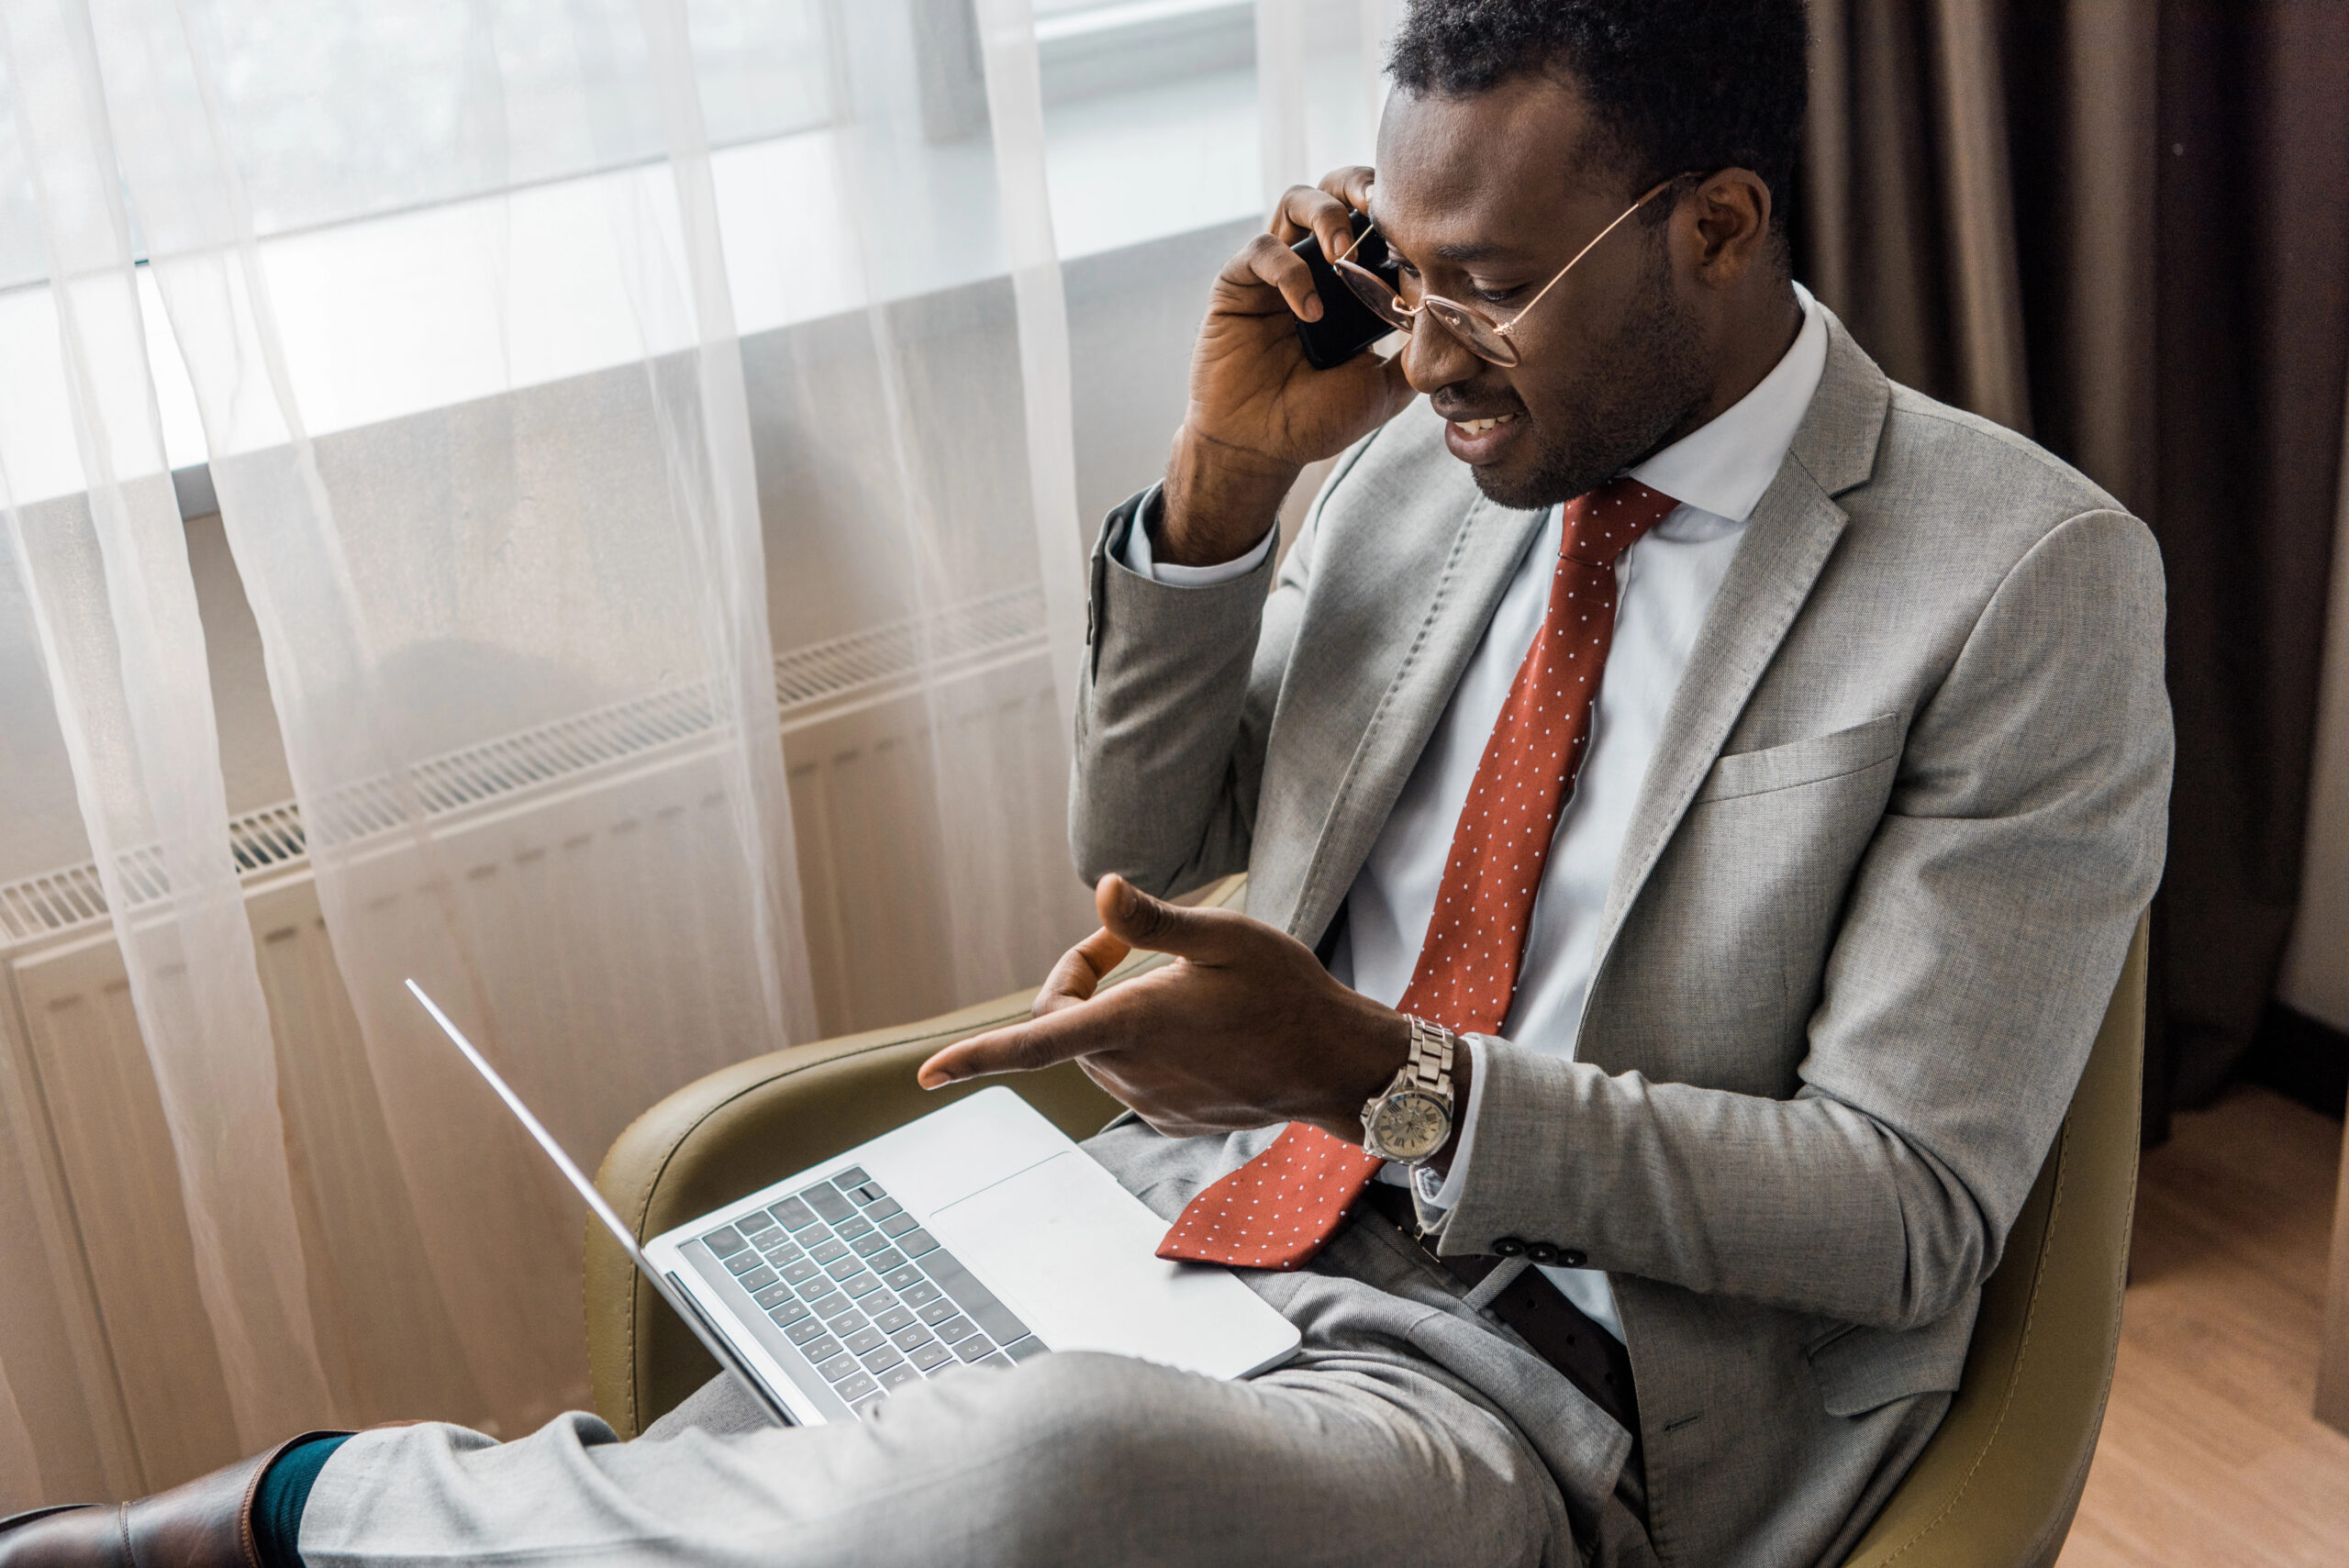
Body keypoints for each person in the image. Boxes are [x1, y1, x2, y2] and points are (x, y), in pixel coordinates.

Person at [0, 1, 2171, 1563]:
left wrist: (1377, 1078)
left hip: (1541, 1389)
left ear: (1715, 229)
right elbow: (1137, 847)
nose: (1417, 361)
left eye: (1485, 293)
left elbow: (1899, 1211)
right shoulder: (1436, 471)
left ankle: (299, 1517)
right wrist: (1224, 482)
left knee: (1022, 1488)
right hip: (1185, 1236)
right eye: (1401, 279)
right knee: (808, 1426)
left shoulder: (2014, 584)